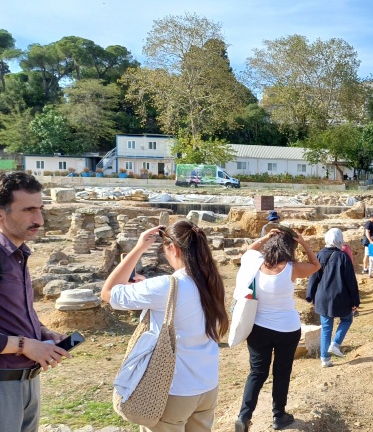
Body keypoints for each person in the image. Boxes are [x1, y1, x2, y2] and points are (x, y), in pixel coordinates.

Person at [102, 220, 229, 432]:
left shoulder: (165, 286)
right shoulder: (212, 281)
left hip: (173, 389)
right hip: (207, 385)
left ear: (174, 248)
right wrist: (145, 286)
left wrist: (139, 248)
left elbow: (108, 292)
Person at [0, 172, 71, 432]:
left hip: (28, 382)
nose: (39, 220)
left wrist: (41, 332)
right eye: (28, 210)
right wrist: (24, 345)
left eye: (40, 209)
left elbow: (12, 311)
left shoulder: (18, 254)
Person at [234, 229, 320, 431]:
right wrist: (305, 244)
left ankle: (244, 415)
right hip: (287, 329)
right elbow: (316, 265)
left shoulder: (254, 264)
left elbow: (248, 251)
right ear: (290, 248)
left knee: (257, 373)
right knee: (282, 373)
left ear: (270, 245)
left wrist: (263, 238)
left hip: (259, 328)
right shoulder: (292, 268)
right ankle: (279, 416)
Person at [307, 229, 360, 368]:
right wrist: (355, 300)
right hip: (341, 296)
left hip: (322, 297)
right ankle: (335, 344)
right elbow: (351, 281)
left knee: (326, 327)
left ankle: (325, 358)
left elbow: (314, 278)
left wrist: (310, 295)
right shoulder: (343, 257)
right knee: (347, 319)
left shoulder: (319, 255)